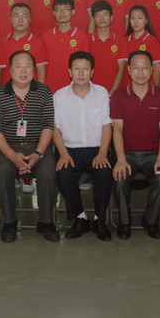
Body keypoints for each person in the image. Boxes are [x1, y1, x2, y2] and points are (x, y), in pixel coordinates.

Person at [0, 50, 59, 242]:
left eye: (27, 66)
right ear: (10, 70)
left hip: (38, 148)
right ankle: (9, 222)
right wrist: (13, 156)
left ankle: (46, 222)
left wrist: (38, 153)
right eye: (18, 66)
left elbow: (48, 126)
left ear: (34, 70)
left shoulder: (44, 92)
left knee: (48, 172)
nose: (23, 71)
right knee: (3, 173)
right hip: (8, 149)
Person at [110, 50, 160, 239]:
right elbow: (117, 129)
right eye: (136, 67)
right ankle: (124, 222)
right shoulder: (118, 95)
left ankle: (151, 221)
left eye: (145, 67)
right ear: (128, 70)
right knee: (120, 176)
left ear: (152, 70)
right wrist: (121, 159)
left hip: (153, 155)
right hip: (126, 153)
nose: (140, 72)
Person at [52, 52, 114, 241]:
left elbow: (107, 125)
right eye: (76, 69)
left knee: (104, 172)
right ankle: (80, 217)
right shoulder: (59, 96)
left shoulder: (101, 93)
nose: (81, 73)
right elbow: (55, 129)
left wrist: (103, 153)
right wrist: (63, 153)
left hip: (97, 149)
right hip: (69, 150)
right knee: (63, 174)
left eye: (85, 69)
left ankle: (99, 219)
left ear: (92, 72)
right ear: (69, 71)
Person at [42, 0, 90, 93]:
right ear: (54, 13)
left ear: (73, 12)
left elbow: (85, 65)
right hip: (49, 89)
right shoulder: (46, 36)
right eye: (58, 9)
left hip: (73, 90)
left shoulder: (82, 37)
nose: (62, 13)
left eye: (66, 9)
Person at [0, 2, 48, 84]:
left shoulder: (38, 43)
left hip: (30, 90)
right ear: (10, 19)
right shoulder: (0, 42)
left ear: (30, 20)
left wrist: (39, 92)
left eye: (24, 16)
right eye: (16, 16)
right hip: (6, 90)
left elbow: (41, 74)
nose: (20, 20)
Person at [89, 0, 128, 94]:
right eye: (98, 15)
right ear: (93, 19)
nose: (101, 18)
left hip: (115, 93)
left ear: (111, 18)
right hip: (92, 93)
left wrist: (111, 94)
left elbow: (121, 69)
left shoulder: (121, 41)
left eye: (105, 15)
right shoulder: (87, 40)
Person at [124, 5, 160, 86]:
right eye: (132, 18)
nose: (136, 22)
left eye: (139, 18)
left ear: (146, 20)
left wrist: (154, 89)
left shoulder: (152, 41)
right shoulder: (124, 41)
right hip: (126, 88)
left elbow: (158, 69)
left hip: (146, 88)